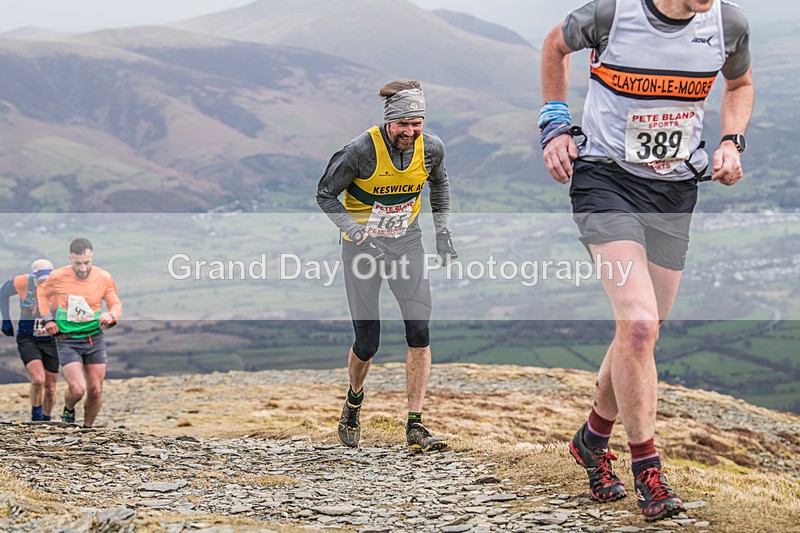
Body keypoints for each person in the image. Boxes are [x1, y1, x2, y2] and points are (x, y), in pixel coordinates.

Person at [539, 0, 753, 522]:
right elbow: (554, 46)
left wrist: (731, 142)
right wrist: (555, 123)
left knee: (647, 327)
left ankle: (591, 437)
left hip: (675, 189)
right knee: (636, 324)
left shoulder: (727, 23)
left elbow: (740, 85)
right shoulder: (613, 13)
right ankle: (647, 469)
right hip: (604, 180)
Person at [316, 80, 457, 452]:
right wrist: (354, 231)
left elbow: (439, 185)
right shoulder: (359, 151)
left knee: (420, 331)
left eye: (417, 123)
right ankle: (353, 403)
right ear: (388, 122)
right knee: (368, 341)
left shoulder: (432, 148)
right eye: (402, 125)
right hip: (362, 249)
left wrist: (442, 232)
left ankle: (415, 424)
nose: (410, 132)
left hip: (407, 243)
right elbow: (325, 194)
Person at [37, 238, 122, 428]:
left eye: (86, 263)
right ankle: (69, 408)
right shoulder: (58, 276)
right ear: (70, 258)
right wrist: (47, 319)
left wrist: (111, 315)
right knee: (77, 389)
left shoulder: (103, 277)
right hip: (67, 339)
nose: (82, 268)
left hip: (94, 337)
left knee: (95, 391)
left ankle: (87, 430)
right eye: (77, 263)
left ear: (92, 258)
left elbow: (115, 303)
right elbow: (42, 294)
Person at [1, 259, 58, 421]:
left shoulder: (59, 285)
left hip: (52, 339)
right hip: (28, 337)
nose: (43, 283)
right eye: (40, 280)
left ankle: (46, 419)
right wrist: (6, 319)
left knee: (51, 385)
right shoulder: (22, 282)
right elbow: (2, 293)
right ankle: (36, 416)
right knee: (38, 380)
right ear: (33, 276)